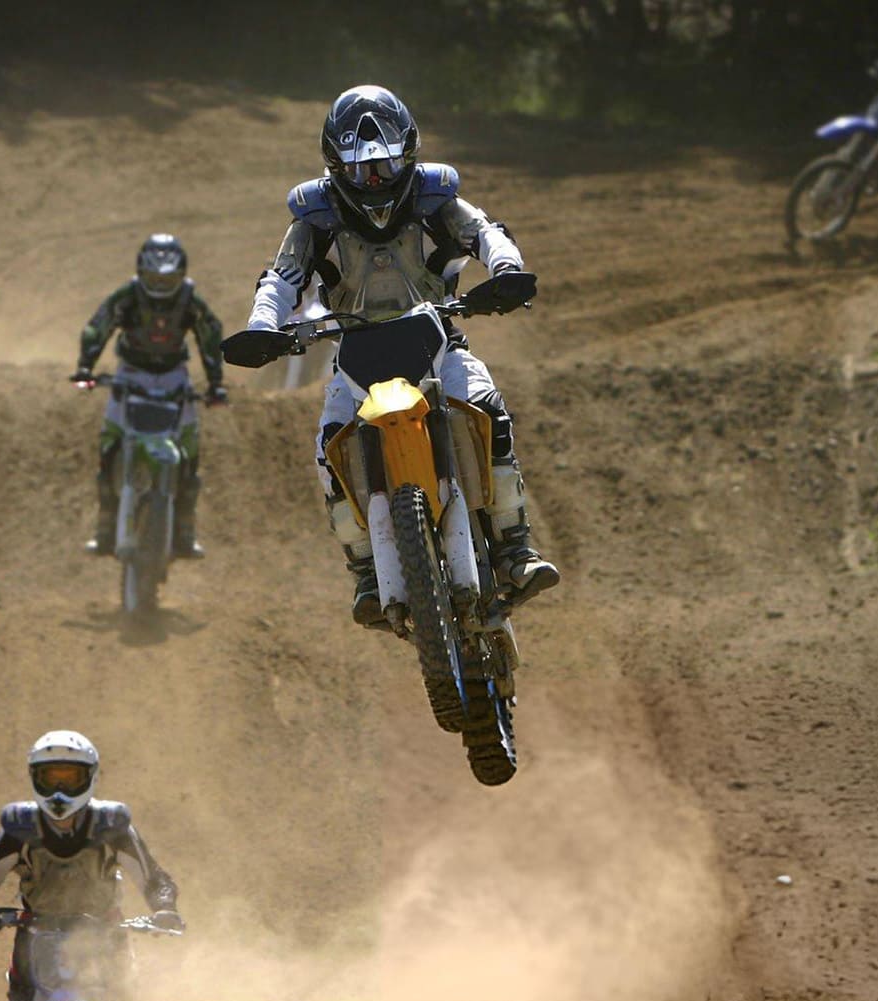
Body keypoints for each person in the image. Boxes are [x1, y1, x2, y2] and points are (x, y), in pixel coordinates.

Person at [243, 85, 559, 627]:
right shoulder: (313, 216)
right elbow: (283, 277)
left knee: (490, 415)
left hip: (437, 341)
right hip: (355, 355)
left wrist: (506, 271)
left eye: (384, 164)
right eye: (359, 167)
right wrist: (262, 325)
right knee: (328, 455)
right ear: (333, 164)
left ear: (407, 154)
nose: (373, 179)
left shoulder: (436, 195)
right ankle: (367, 571)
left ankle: (514, 551)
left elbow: (485, 234)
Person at [0, 730, 182, 1001]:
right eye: (51, 778)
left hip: (104, 931)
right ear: (34, 778)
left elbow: (154, 879)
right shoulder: (19, 829)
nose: (59, 791)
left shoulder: (112, 827)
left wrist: (165, 909)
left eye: (70, 778)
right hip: (36, 932)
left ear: (90, 778)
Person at [73, 234, 227, 558]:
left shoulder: (189, 300)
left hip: (175, 378)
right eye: (153, 278)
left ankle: (185, 529)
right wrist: (86, 367)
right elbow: (98, 325)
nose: (159, 285)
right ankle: (104, 526)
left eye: (167, 278)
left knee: (189, 453)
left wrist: (215, 384)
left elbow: (210, 336)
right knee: (109, 446)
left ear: (180, 275)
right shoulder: (127, 296)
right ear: (141, 273)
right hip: (130, 374)